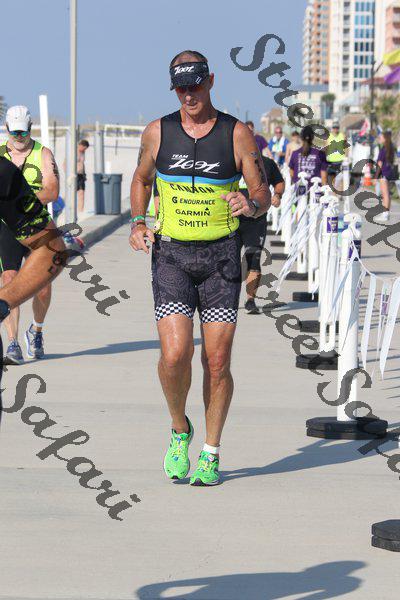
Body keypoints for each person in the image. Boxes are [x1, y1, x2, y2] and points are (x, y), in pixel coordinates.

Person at [129, 50, 270, 486]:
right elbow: (141, 178)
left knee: (217, 360)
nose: (189, 95)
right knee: (175, 355)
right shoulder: (158, 131)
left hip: (220, 259)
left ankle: (210, 451)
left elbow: (263, 192)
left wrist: (250, 204)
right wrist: (138, 222)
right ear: (174, 88)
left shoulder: (236, 133)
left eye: (195, 85)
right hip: (171, 256)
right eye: (181, 88)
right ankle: (179, 430)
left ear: (211, 81)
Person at [0, 106, 59, 364]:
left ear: (30, 128)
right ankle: (12, 343)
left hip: (37, 226)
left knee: (42, 287)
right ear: (6, 129)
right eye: (14, 132)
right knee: (9, 280)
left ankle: (36, 330)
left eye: (23, 132)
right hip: (6, 228)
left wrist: (18, 202)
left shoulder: (42, 154)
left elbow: (52, 190)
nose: (19, 137)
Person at [239, 122, 285, 314]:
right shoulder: (230, 161)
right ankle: (227, 300)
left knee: (254, 260)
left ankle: (250, 300)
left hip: (256, 220)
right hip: (231, 219)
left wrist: (277, 195)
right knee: (228, 261)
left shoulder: (266, 164)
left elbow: (279, 182)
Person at [375, 130, 397, 222]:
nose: (379, 139)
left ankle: (385, 214)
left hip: (383, 173)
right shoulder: (391, 147)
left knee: (385, 194)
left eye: (381, 137)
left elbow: (379, 164)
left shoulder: (383, 149)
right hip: (390, 172)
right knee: (387, 194)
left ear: (385, 139)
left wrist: (376, 175)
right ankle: (386, 213)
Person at [326, 122, 347, 187]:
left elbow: (346, 147)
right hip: (331, 161)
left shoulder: (342, 135)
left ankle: (340, 192)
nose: (335, 129)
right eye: (334, 128)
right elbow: (326, 148)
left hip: (340, 160)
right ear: (332, 128)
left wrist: (346, 157)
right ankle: (333, 191)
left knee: (340, 179)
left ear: (338, 128)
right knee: (332, 179)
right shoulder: (329, 136)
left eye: (337, 128)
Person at [77, 139, 89, 214]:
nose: (84, 150)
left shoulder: (83, 152)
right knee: (72, 194)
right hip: (74, 175)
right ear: (81, 145)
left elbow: (82, 164)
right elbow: (65, 163)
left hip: (81, 175)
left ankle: (80, 211)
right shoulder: (73, 151)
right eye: (84, 148)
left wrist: (84, 174)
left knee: (82, 193)